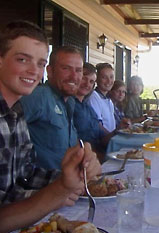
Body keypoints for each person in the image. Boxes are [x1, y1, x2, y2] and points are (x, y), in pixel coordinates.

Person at [0, 20, 100, 233]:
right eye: (22, 59)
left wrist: (70, 178)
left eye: (39, 63)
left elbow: (24, 175)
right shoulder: (37, 99)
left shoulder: (15, 113)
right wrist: (59, 190)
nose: (33, 71)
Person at [20, 46, 83, 169]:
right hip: (42, 184)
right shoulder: (39, 96)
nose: (74, 76)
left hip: (69, 181)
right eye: (66, 68)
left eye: (78, 70)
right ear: (50, 71)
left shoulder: (70, 101)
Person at [73, 63, 117, 161]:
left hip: (100, 152)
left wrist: (118, 130)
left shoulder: (87, 107)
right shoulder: (70, 105)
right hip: (85, 158)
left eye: (91, 81)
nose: (87, 84)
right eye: (84, 79)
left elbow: (102, 136)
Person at [87, 62, 116, 132]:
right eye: (104, 77)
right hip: (102, 141)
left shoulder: (108, 99)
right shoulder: (93, 98)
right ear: (96, 79)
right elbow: (98, 126)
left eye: (111, 77)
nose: (109, 81)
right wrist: (111, 138)